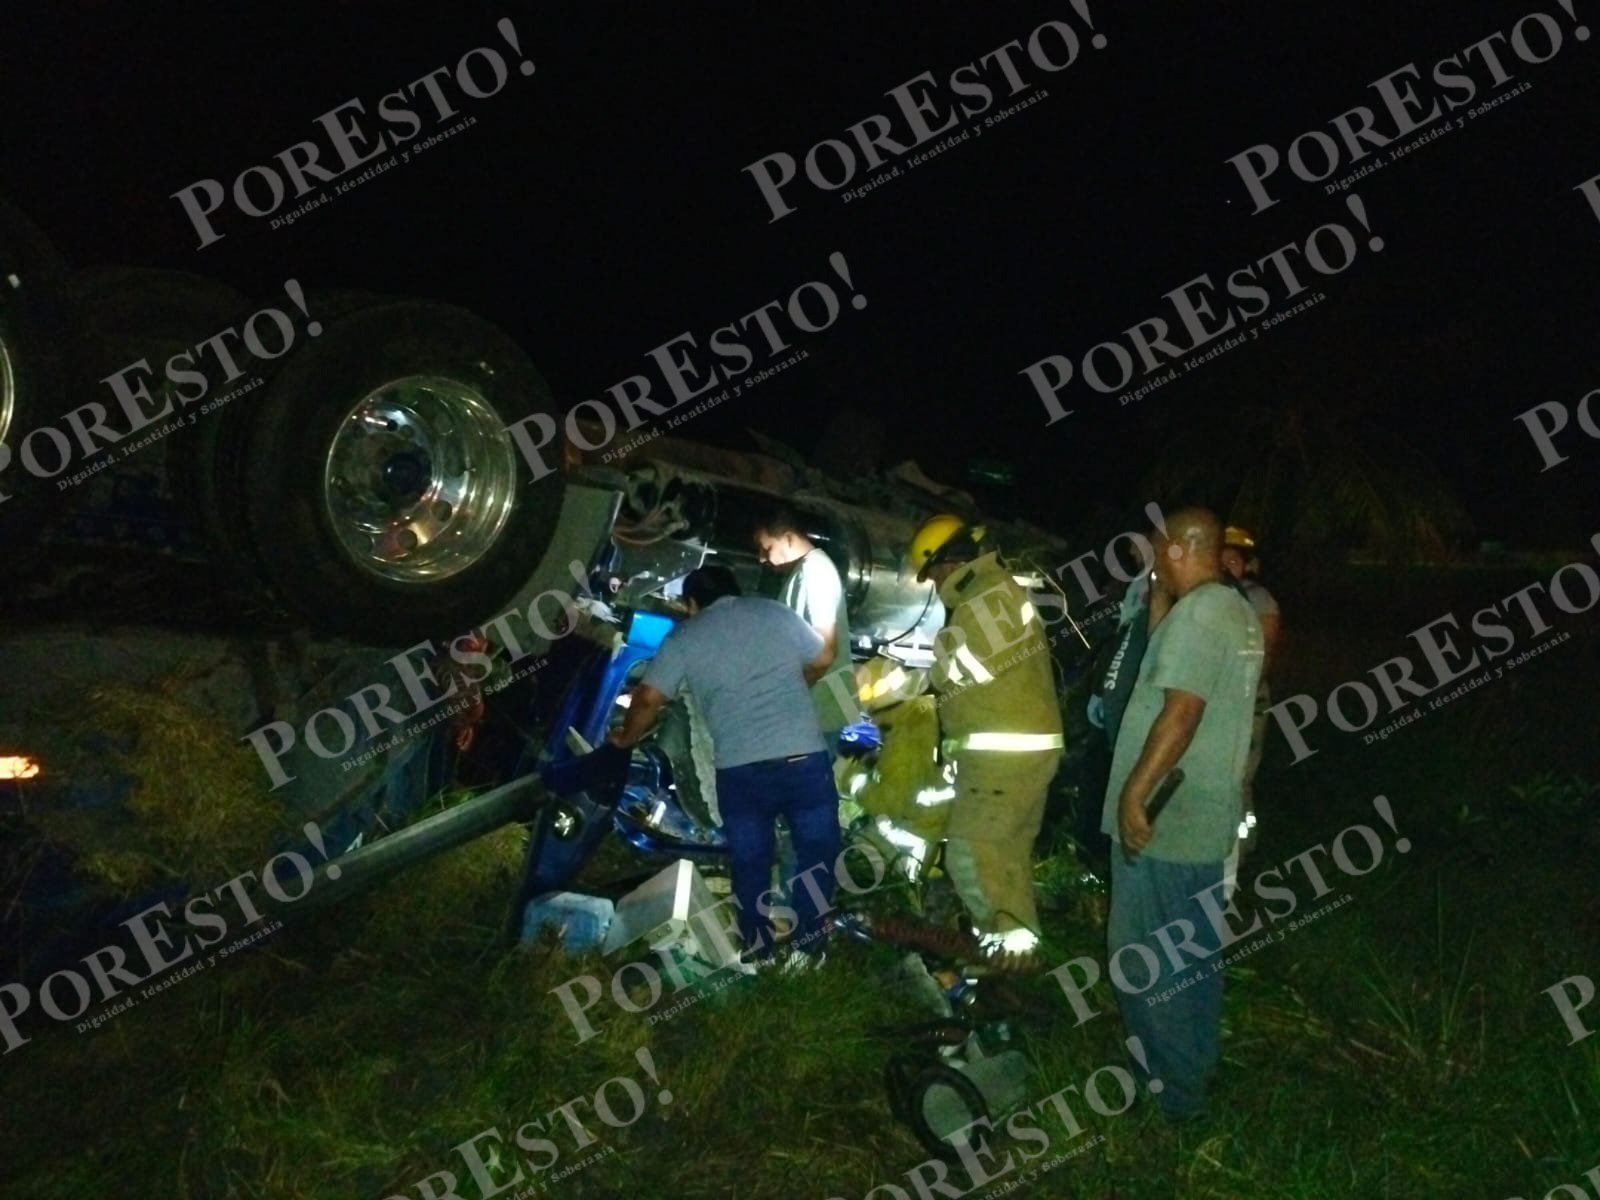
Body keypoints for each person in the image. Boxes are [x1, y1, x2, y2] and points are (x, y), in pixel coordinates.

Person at [1100, 507, 1262, 1122]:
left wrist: (1134, 794)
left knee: (1142, 959)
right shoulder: (1231, 611)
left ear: (1177, 548)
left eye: (1155, 549)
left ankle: (1170, 1095)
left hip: (1166, 824)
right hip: (1202, 824)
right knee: (1191, 960)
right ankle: (1193, 1077)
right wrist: (1156, 601)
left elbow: (1183, 712)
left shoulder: (1200, 616)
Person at [606, 564, 839, 965]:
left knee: (751, 859)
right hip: (803, 760)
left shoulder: (685, 636)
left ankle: (757, 947)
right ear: (735, 589)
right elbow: (823, 657)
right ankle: (810, 946)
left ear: (693, 603)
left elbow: (646, 699)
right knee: (817, 850)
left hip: (741, 770)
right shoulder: (774, 613)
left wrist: (624, 739)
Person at [910, 514, 1064, 962]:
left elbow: (958, 672)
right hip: (1022, 752)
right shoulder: (996, 592)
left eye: (931, 574)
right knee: (1008, 860)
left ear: (943, 564)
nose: (934, 584)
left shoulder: (980, 603)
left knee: (969, 856)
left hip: (1001, 756)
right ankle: (1019, 956)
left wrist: (902, 685)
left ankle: (998, 952)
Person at [753, 507, 859, 750]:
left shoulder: (814, 573)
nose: (761, 557)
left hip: (815, 715)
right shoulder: (806, 571)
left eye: (766, 547)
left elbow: (824, 653)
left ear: (789, 538)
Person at [1221, 526, 1281, 893]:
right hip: (1217, 705)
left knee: (1239, 779)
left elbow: (1265, 657)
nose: (1226, 565)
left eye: (1233, 559)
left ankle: (1240, 855)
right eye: (1221, 558)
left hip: (1247, 705)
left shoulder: (1260, 600)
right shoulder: (1213, 597)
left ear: (1249, 564)